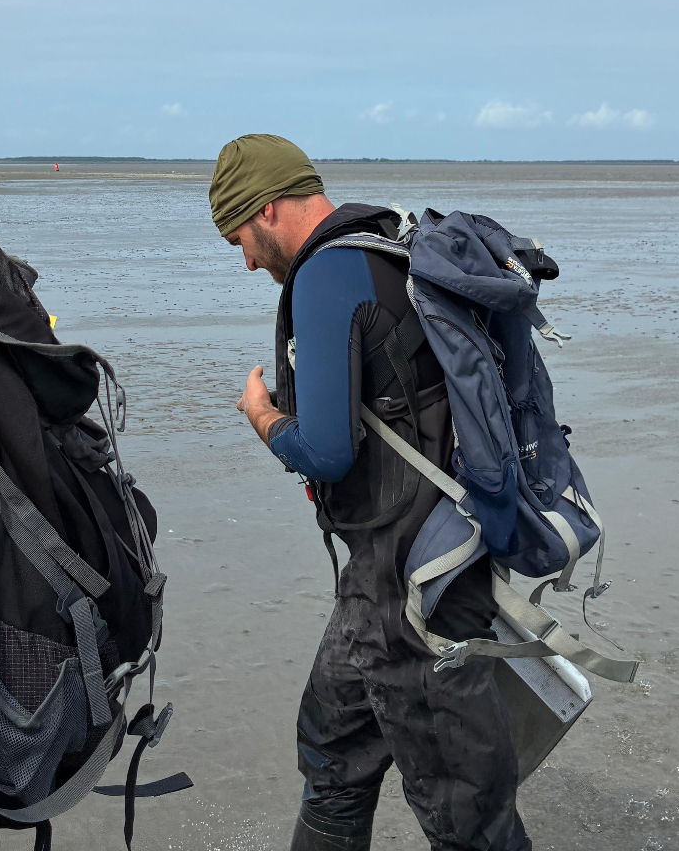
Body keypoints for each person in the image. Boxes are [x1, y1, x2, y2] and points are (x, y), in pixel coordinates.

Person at [213, 134, 533, 851]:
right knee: (331, 747)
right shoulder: (391, 245)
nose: (244, 260)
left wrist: (263, 416)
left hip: (412, 592)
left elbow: (325, 452)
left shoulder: (327, 276)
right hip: (431, 556)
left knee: (466, 813)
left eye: (239, 238)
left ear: (267, 210)